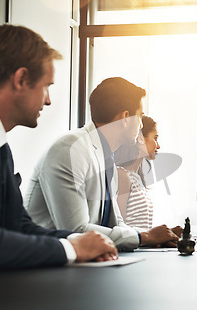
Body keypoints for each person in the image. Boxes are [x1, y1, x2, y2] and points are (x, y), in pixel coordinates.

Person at [0, 25, 117, 270]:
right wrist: (73, 250)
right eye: (46, 86)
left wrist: (77, 240)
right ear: (20, 79)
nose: (48, 99)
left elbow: (18, 226)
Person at [24, 77, 179, 250]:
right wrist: (146, 236)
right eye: (140, 116)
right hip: (48, 266)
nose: (141, 124)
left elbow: (117, 224)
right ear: (126, 118)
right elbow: (75, 231)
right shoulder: (71, 149)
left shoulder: (107, 158)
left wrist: (156, 237)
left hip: (84, 264)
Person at [115, 116, 158, 230]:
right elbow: (121, 229)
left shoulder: (137, 178)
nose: (158, 145)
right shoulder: (122, 176)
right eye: (155, 138)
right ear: (140, 138)